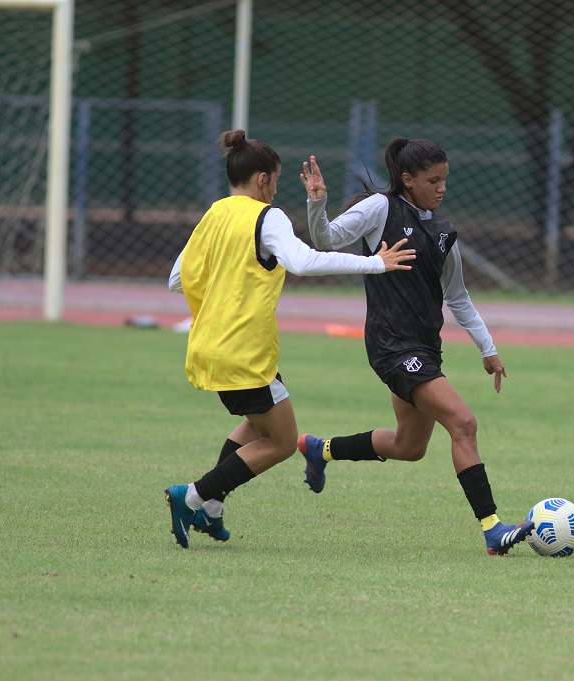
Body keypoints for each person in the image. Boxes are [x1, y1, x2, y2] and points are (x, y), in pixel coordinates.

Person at [164, 129, 415, 549]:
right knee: (281, 441)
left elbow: (177, 279)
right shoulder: (269, 216)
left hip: (210, 345)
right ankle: (192, 495)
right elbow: (302, 261)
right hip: (242, 349)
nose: (276, 189)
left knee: (259, 420)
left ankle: (211, 508)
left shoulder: (215, 214)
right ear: (263, 179)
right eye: (276, 180)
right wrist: (374, 263)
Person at [297, 137, 533, 555]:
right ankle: (493, 528)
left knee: (409, 447)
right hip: (391, 346)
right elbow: (327, 240)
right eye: (432, 180)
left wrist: (488, 348)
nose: (442, 188)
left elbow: (457, 297)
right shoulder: (381, 209)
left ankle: (320, 449)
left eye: (445, 180)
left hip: (424, 348)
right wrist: (318, 202)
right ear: (407, 179)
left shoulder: (443, 233)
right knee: (464, 423)